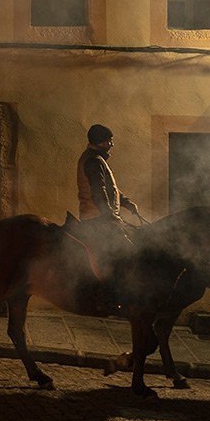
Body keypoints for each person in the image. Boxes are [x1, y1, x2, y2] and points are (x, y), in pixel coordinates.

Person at [75, 124, 141, 311]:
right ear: (100, 142)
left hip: (101, 217)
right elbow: (99, 192)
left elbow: (112, 189)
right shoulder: (94, 161)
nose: (112, 144)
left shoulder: (97, 160)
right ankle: (108, 298)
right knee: (126, 251)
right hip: (97, 220)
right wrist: (110, 216)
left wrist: (127, 203)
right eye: (109, 140)